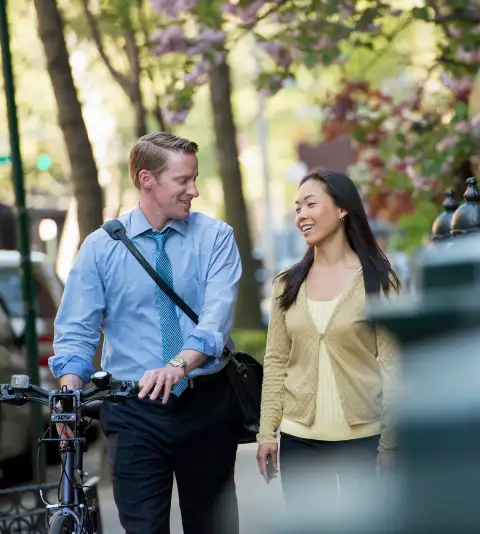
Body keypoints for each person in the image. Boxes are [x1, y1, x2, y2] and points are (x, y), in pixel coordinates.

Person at [51, 132, 243, 534]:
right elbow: (76, 330)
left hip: (205, 404)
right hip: (133, 409)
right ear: (146, 179)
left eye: (195, 178)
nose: (194, 190)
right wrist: (68, 391)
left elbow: (215, 320)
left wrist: (178, 365)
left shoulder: (216, 238)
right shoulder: (100, 248)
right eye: (183, 181)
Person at [256, 168, 400, 513]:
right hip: (299, 441)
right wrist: (266, 434)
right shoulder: (287, 285)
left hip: (364, 441)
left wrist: (390, 443)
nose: (301, 215)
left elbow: (395, 365)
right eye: (296, 208)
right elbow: (276, 361)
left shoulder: (379, 281)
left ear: (342, 209)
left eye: (310, 204)